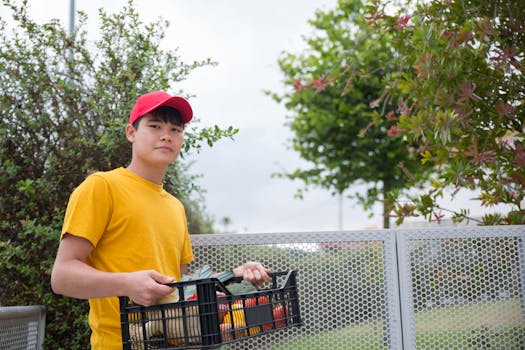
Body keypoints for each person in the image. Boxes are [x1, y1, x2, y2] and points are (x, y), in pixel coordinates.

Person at [50, 90, 271, 349]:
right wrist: (127, 284)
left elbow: (182, 289)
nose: (166, 135)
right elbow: (62, 277)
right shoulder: (102, 187)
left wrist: (235, 275)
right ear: (131, 133)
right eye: (155, 126)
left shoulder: (175, 207)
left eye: (175, 129)